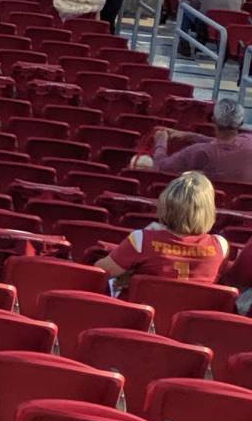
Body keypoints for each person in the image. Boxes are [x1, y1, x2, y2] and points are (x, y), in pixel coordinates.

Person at [98, 172, 229, 290]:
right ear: (209, 210)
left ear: (165, 204)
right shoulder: (221, 246)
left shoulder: (141, 240)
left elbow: (98, 272)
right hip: (194, 310)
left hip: (146, 308)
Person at [143, 98, 252, 185]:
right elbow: (225, 144)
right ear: (241, 123)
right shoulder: (249, 141)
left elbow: (161, 167)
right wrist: (191, 136)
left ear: (213, 120)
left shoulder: (198, 152)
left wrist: (160, 142)